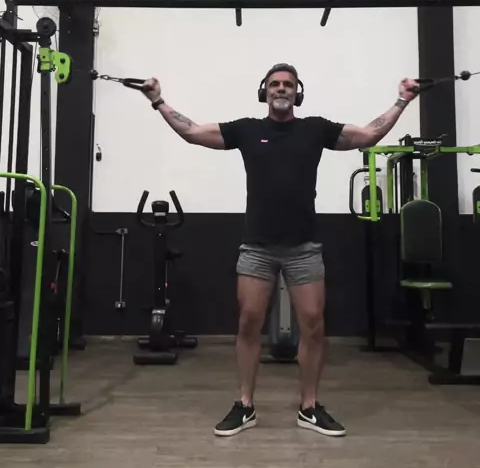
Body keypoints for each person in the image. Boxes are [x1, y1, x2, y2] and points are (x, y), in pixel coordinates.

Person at [142, 64, 418, 438]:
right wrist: (157, 99)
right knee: (248, 323)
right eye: (275, 84)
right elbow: (192, 132)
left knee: (314, 325)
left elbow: (369, 135)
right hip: (257, 246)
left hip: (304, 247)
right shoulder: (246, 130)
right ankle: (244, 405)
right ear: (265, 91)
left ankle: (309, 407)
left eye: (288, 84)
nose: (281, 88)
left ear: (297, 92)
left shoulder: (315, 129)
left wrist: (402, 100)